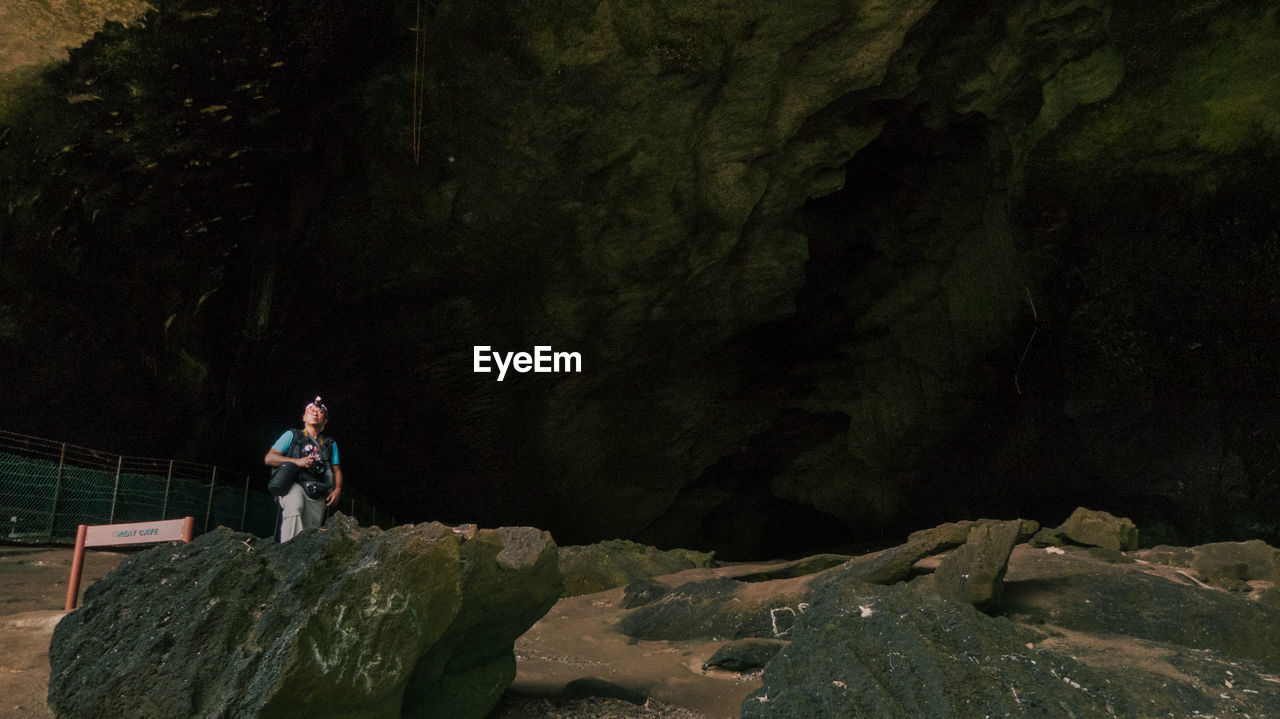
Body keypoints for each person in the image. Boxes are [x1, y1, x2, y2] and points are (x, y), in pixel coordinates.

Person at [264, 396, 343, 542]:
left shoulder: (329, 444)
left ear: (325, 421)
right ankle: (288, 551)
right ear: (304, 417)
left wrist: (337, 489)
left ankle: (302, 558)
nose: (315, 413)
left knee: (311, 530)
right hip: (293, 483)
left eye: (319, 412)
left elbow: (336, 469)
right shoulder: (292, 436)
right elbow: (269, 458)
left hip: (316, 488)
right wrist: (298, 462)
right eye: (311, 411)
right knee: (294, 507)